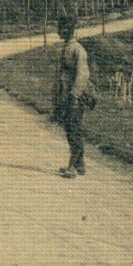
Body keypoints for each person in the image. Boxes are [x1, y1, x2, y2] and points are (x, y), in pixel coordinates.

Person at [51, 14, 95, 178]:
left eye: (60, 28)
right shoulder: (67, 48)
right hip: (66, 96)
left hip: (74, 97)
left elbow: (82, 75)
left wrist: (74, 95)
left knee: (74, 130)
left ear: (68, 29)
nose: (58, 31)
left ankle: (73, 167)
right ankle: (80, 164)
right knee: (71, 129)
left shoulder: (78, 50)